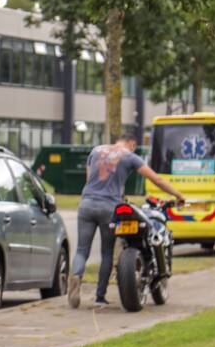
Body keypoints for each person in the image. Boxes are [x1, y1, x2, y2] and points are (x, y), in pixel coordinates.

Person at [68, 130, 185, 308]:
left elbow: (89, 178)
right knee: (107, 252)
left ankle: (76, 277)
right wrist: (177, 194)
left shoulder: (96, 151)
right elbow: (157, 180)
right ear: (132, 144)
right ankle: (100, 296)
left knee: (81, 250)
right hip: (109, 207)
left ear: (117, 140)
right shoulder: (130, 156)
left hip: (87, 204)